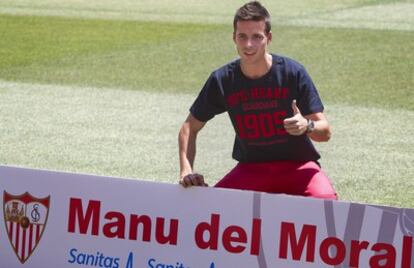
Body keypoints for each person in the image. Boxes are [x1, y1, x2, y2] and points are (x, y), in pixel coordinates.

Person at [178, 1, 337, 200]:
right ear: (233, 38)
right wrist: (186, 170)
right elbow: (189, 127)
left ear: (268, 38)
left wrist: (307, 125)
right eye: (242, 36)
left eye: (257, 37)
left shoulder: (292, 72)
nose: (248, 45)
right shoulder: (223, 79)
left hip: (298, 166)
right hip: (251, 169)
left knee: (326, 201)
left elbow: (326, 132)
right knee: (211, 206)